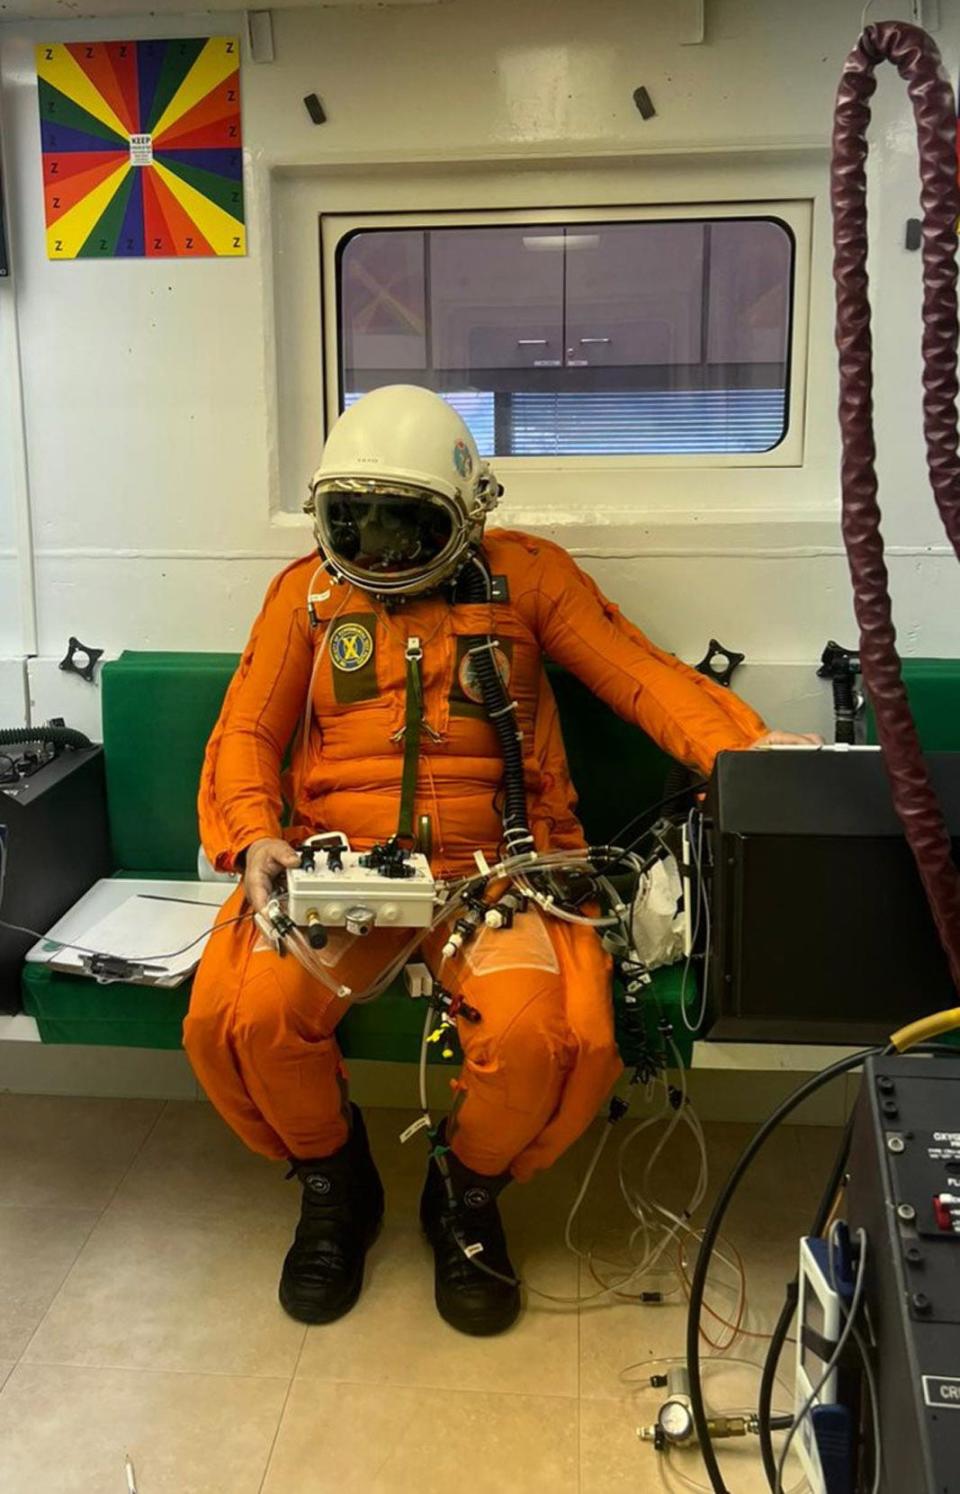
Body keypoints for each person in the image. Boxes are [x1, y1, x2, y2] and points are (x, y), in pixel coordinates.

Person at [184, 385, 819, 1337]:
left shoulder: (528, 577)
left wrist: (754, 758)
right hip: (341, 869)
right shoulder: (306, 596)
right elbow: (245, 729)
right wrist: (252, 833)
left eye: (406, 526)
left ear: (470, 513)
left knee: (549, 1042)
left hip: (500, 870)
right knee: (246, 1016)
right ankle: (332, 1184)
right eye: (352, 524)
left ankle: (467, 1195)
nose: (379, 551)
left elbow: (642, 676)